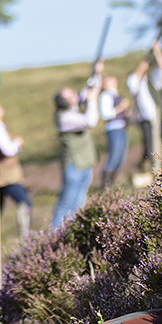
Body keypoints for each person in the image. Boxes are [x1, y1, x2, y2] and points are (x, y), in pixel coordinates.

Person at [51, 70, 101, 228]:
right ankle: (54, 238)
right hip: (74, 166)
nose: (75, 95)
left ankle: (71, 237)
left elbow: (90, 91)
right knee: (66, 205)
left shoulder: (71, 110)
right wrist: (92, 101)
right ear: (64, 102)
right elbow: (90, 121)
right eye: (70, 95)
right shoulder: (65, 117)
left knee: (79, 205)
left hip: (84, 163)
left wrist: (96, 74)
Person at [127, 39, 162, 169]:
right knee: (149, 151)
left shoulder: (152, 81)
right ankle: (147, 172)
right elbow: (132, 81)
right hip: (147, 121)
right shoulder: (136, 83)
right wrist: (140, 68)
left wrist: (157, 52)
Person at [0, 104, 33, 238]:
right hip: (6, 176)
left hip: (2, 175)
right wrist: (17, 143)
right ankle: (25, 237)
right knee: (24, 203)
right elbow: (8, 150)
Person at [97, 74, 130, 186]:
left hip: (121, 127)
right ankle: (106, 184)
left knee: (121, 157)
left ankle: (112, 184)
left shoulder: (115, 94)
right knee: (114, 155)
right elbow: (106, 114)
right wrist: (121, 107)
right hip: (114, 128)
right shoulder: (105, 95)